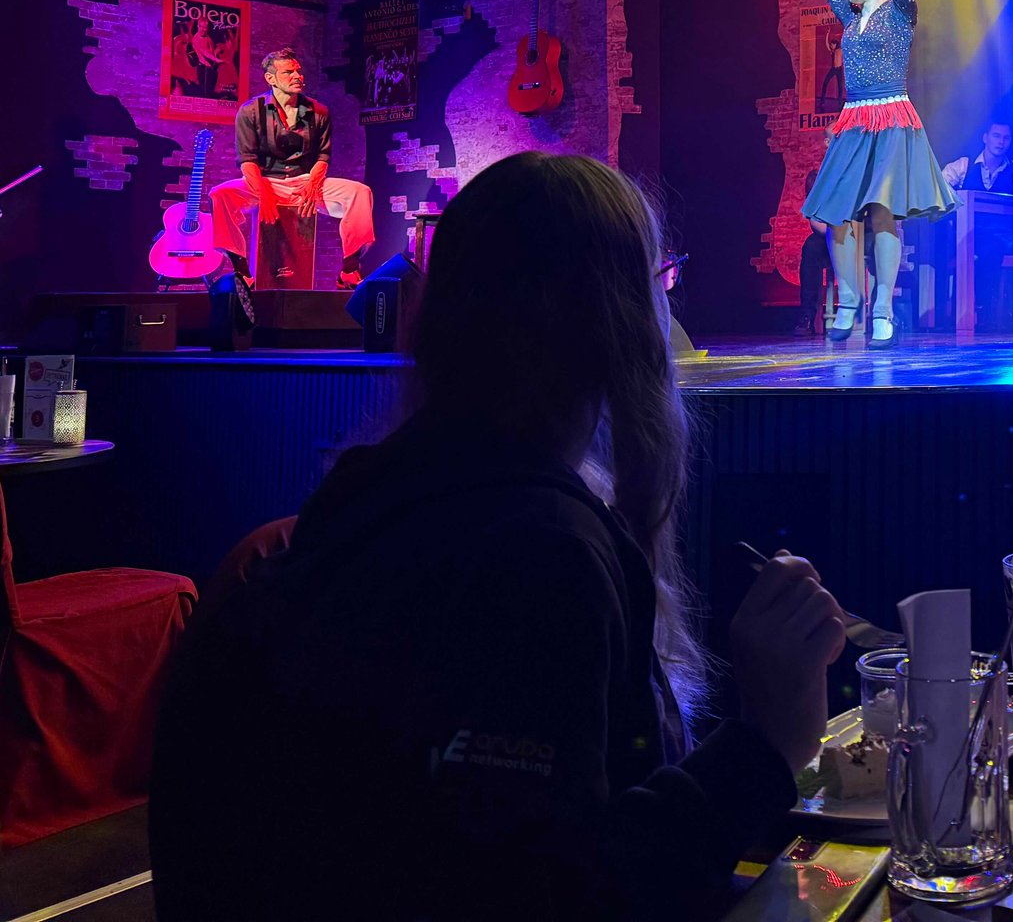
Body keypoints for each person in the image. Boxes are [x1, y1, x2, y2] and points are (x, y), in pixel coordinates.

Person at [150, 152, 849, 920]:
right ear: (622, 325)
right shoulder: (539, 556)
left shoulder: (372, 501)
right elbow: (564, 897)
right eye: (661, 281)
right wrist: (767, 743)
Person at [774, 0, 954, 348]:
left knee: (882, 212)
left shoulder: (900, 11)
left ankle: (883, 309)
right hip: (854, 118)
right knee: (838, 212)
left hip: (892, 116)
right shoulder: (849, 20)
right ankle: (850, 302)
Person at [208, 47, 374, 288]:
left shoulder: (318, 111)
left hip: (305, 181)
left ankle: (349, 270)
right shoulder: (250, 111)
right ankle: (241, 271)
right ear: (271, 78)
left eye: (298, 71)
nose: (298, 76)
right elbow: (247, 160)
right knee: (220, 194)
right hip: (264, 182)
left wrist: (313, 184)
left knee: (360, 192)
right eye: (288, 72)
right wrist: (263, 194)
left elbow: (323, 156)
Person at [942, 119, 1013, 329]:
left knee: (1006, 247)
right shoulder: (964, 165)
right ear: (986, 138)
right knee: (975, 247)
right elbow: (938, 187)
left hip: (1002, 236)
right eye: (996, 136)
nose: (1001, 142)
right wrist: (959, 203)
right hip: (966, 234)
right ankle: (956, 313)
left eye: (1006, 138)